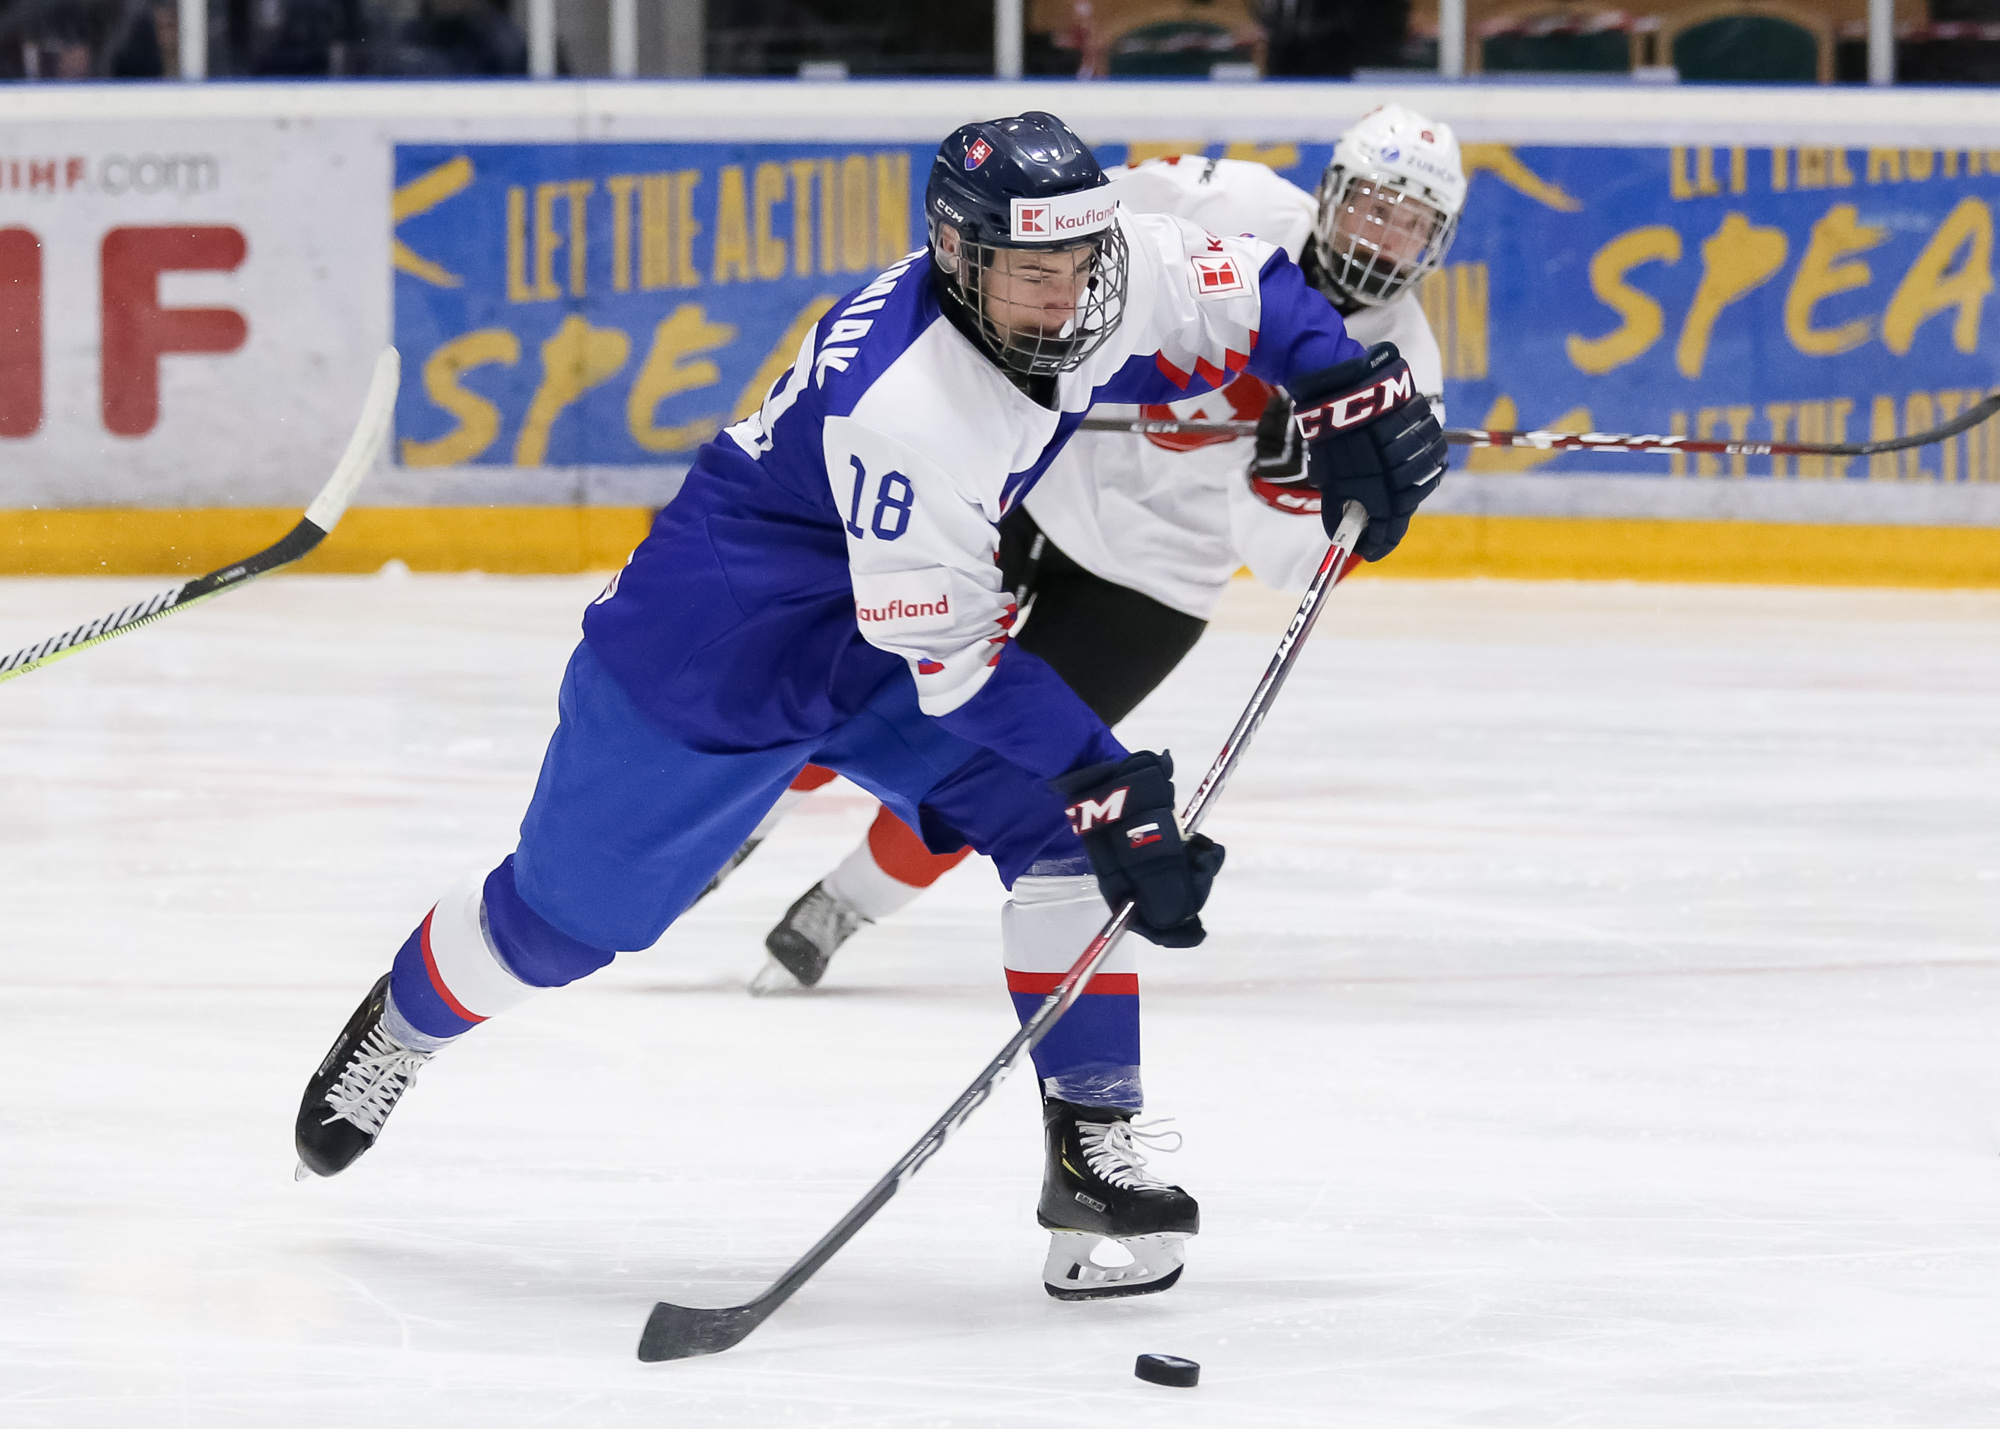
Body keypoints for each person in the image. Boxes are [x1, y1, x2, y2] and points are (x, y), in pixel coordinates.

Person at [293, 111, 1448, 1300]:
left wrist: (1344, 381)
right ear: (960, 260)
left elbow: (1253, 287)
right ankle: (405, 1023)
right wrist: (1109, 784)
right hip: (720, 646)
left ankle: (1090, 1149)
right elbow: (963, 668)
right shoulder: (907, 409)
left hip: (889, 629)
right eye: (1031, 277)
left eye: (1080, 266)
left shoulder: (1097, 264)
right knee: (560, 929)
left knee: (1052, 837)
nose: (1064, 303)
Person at [739, 104, 1464, 995]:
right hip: (1035, 483)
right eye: (1372, 207)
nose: (1382, 237)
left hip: (1155, 578)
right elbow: (1074, 225)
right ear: (1332, 193)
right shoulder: (1229, 199)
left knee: (1009, 765)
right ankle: (737, 817)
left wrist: (1282, 489)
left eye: (1410, 222)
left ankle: (842, 904)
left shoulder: (1403, 371)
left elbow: (1288, 568)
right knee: (866, 666)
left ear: (1439, 242)